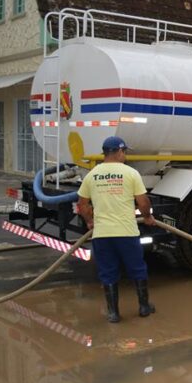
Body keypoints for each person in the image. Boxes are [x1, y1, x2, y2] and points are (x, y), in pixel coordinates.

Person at [77, 136, 157, 323]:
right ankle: (144, 307)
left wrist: (90, 221)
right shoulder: (130, 173)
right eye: (125, 152)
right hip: (127, 233)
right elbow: (143, 201)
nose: (125, 155)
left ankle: (113, 313)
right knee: (137, 269)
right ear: (119, 151)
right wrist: (147, 217)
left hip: (102, 234)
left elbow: (82, 204)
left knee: (108, 271)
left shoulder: (92, 174)